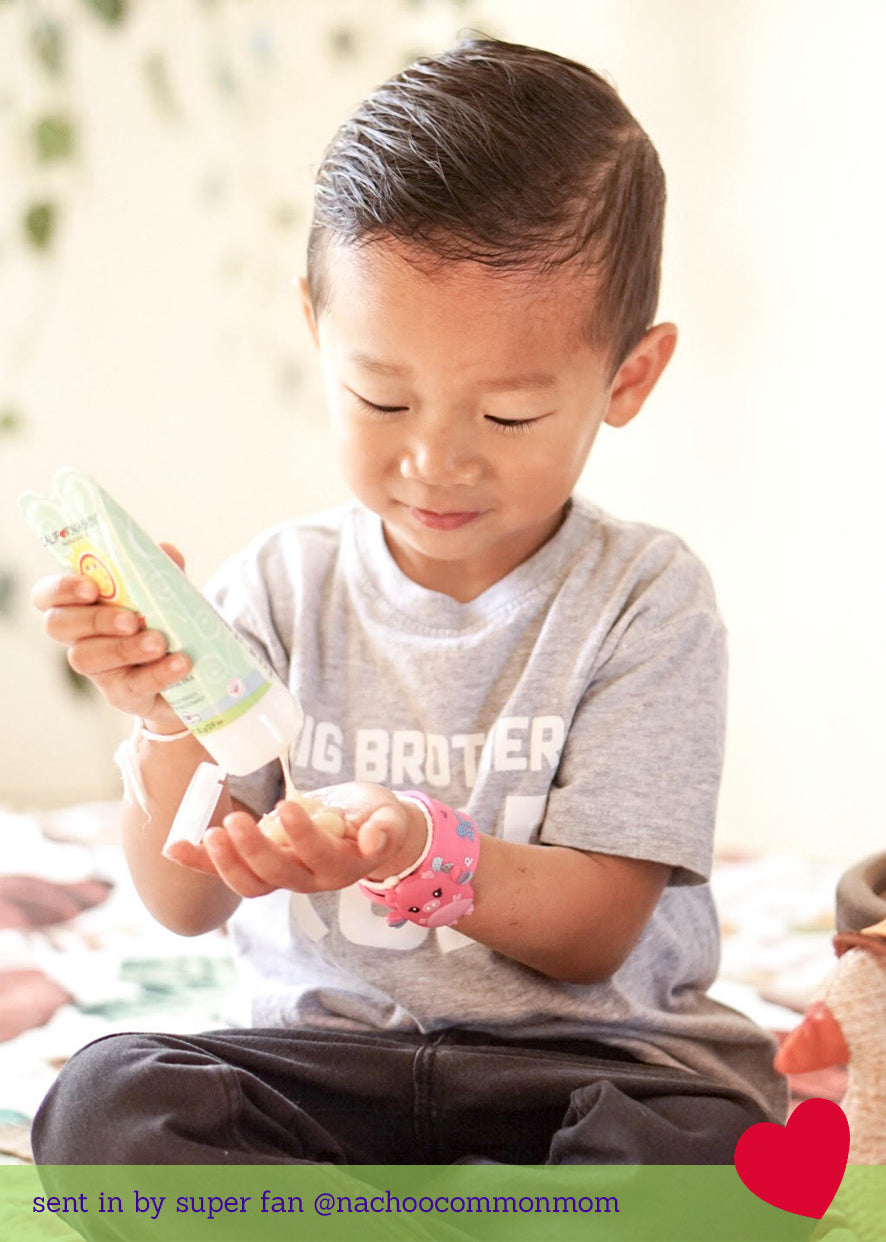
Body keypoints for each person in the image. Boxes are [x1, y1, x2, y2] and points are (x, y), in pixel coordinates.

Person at [29, 36, 786, 1166]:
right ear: (318, 334)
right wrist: (163, 714)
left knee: (711, 1141)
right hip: (329, 1072)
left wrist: (417, 850)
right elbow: (183, 905)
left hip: (579, 1070)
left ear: (627, 378)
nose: (435, 462)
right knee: (106, 1106)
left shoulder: (644, 599)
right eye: (380, 398)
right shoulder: (276, 589)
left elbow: (593, 932)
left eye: (509, 418)